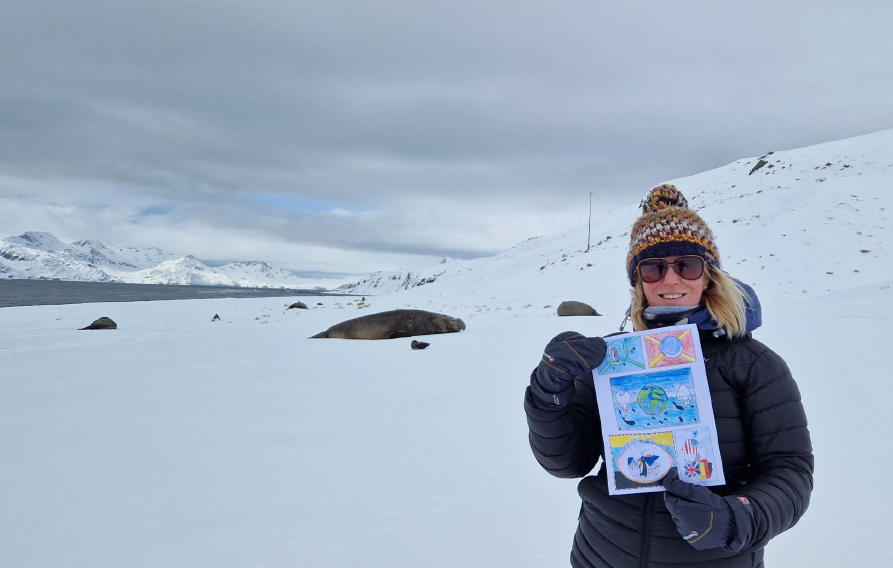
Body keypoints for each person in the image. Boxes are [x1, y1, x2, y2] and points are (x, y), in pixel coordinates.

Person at [524, 184, 813, 568]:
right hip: (601, 555)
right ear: (639, 281)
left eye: (687, 265)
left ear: (708, 276)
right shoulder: (614, 360)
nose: (671, 280)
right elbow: (567, 462)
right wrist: (549, 394)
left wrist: (735, 517)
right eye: (653, 267)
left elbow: (790, 472)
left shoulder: (755, 364)